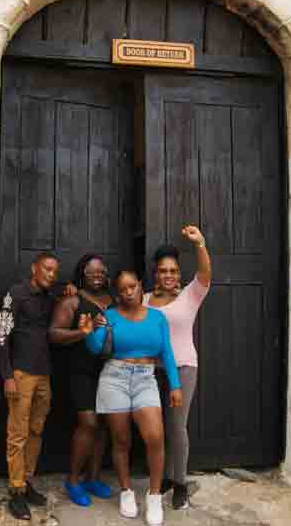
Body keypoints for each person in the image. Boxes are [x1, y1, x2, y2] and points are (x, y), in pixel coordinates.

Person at [78, 270, 182, 526]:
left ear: (140, 286)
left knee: (154, 437)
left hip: (146, 379)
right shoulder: (109, 316)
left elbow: (167, 352)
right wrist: (88, 332)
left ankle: (154, 495)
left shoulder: (157, 317)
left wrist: (175, 386)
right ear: (117, 293)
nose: (128, 293)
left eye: (132, 287)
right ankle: (126, 491)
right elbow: (95, 348)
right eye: (122, 289)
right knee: (121, 440)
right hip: (115, 378)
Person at [145, 225, 212, 510]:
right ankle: (165, 478)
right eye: (163, 270)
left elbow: (206, 274)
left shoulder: (190, 295)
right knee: (156, 428)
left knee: (176, 426)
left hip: (183, 368)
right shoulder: (145, 299)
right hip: (150, 371)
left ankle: (180, 483)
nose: (168, 275)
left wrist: (200, 245)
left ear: (178, 273)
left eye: (172, 270)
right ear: (156, 273)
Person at [0, 252, 61, 521]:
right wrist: (7, 375)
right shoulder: (16, 293)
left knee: (36, 430)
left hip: (44, 374)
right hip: (21, 374)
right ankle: (15, 490)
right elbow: (1, 334)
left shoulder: (49, 299)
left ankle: (26, 480)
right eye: (47, 269)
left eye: (55, 272)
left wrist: (71, 291)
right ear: (34, 268)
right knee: (17, 433)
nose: (51, 275)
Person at [48, 254, 114, 507]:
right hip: (80, 371)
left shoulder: (114, 300)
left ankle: (93, 478)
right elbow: (53, 333)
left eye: (101, 271)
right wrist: (82, 332)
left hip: (109, 371)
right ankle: (73, 480)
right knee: (88, 423)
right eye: (91, 272)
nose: (97, 275)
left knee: (104, 425)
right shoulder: (73, 300)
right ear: (81, 274)